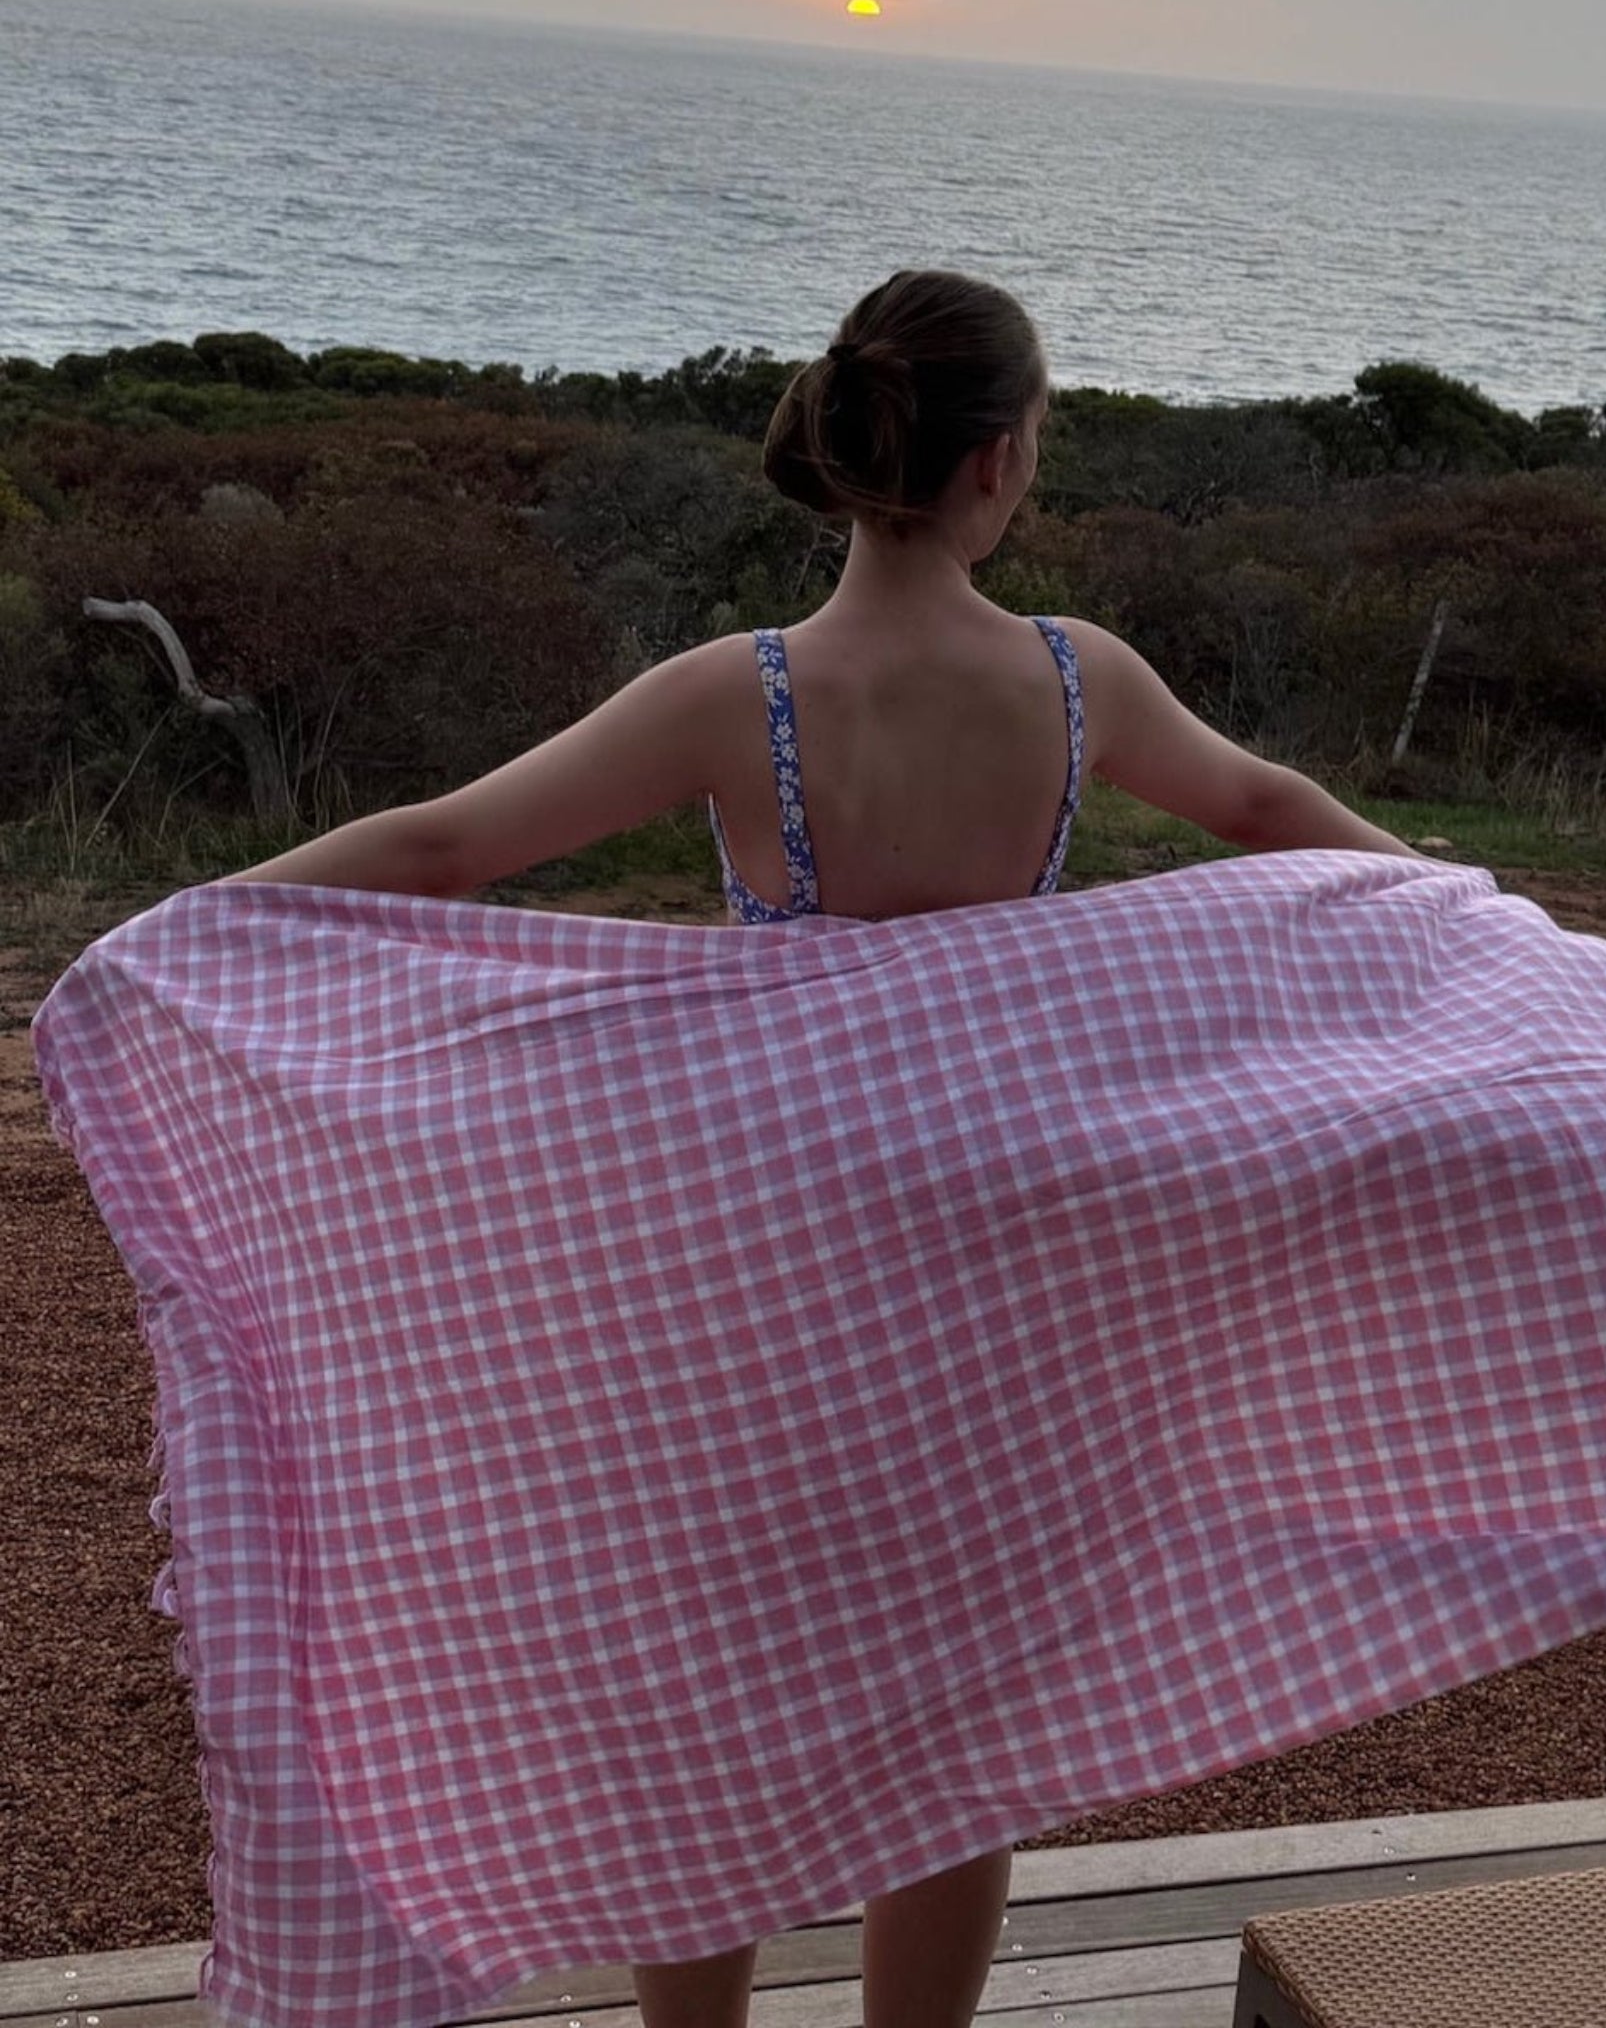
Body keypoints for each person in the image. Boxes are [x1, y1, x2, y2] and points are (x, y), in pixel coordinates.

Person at [231, 267, 1424, 2028]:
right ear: (1003, 460)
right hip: (1004, 1270)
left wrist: (187, 923)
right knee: (967, 1713)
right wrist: (1487, 914)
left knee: (702, 1690)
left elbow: (439, 848)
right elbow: (1264, 813)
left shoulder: (741, 693)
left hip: (756, 1271)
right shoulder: (1076, 681)